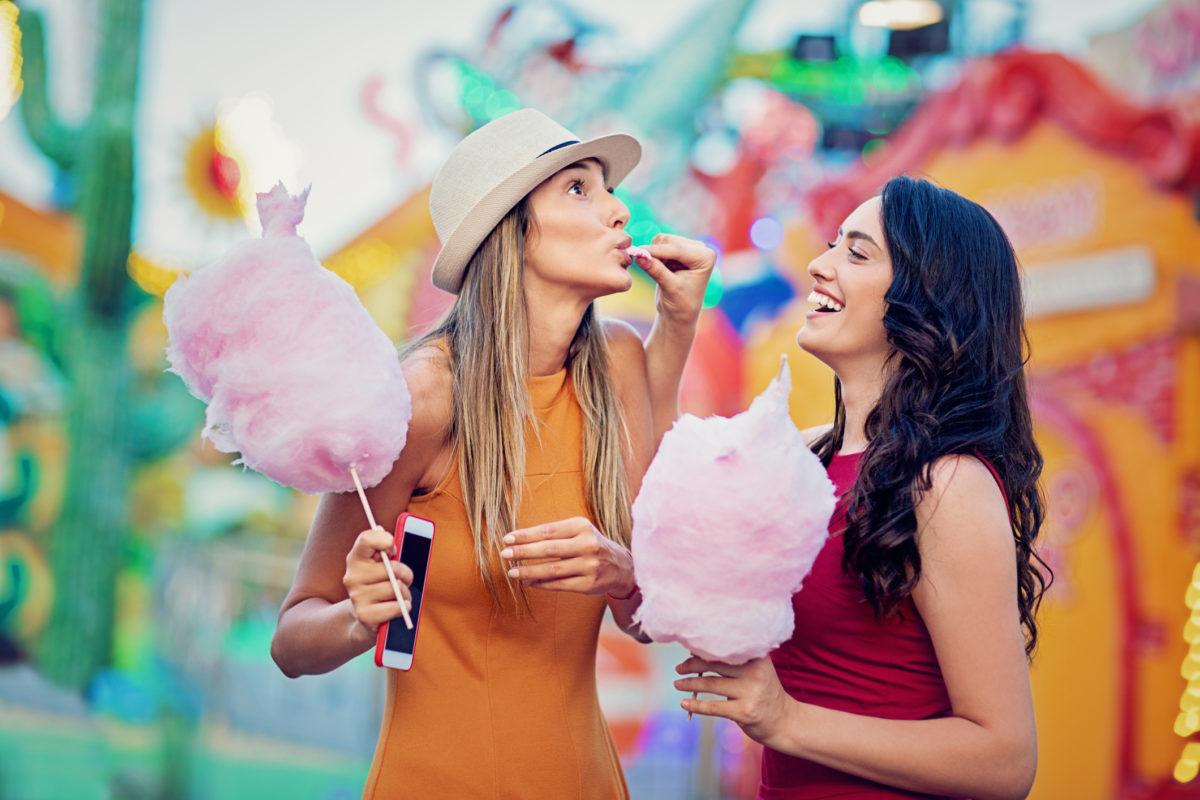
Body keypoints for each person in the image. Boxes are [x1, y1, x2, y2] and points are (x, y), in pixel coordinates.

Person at [270, 108, 713, 798]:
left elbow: (644, 619)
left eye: (608, 188)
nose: (619, 210)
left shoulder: (620, 362)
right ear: (511, 230)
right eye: (578, 189)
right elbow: (293, 641)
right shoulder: (422, 398)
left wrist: (622, 572)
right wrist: (358, 617)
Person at [674, 176, 1050, 800]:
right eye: (831, 245)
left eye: (856, 252)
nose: (819, 266)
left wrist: (787, 720)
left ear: (925, 296)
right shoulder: (803, 454)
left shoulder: (946, 482)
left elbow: (1005, 761)